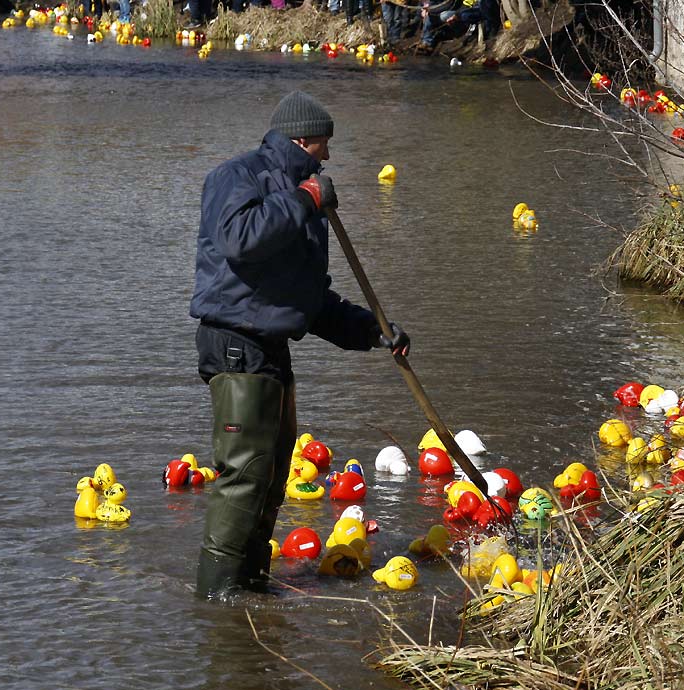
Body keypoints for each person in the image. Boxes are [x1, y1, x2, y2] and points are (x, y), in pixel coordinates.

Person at [189, 90, 411, 599]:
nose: (329, 158)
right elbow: (239, 238)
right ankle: (217, 598)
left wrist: (374, 331)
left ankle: (250, 587)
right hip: (233, 343)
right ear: (301, 140)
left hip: (271, 350)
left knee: (271, 474)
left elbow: (310, 301)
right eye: (324, 146)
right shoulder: (237, 177)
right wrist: (307, 199)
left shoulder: (304, 205)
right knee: (244, 474)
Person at [419, 0, 499, 50]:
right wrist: (429, 9)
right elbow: (453, 5)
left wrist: (458, 15)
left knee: (446, 15)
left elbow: (450, 5)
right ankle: (426, 43)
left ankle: (457, 32)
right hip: (462, 11)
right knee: (430, 16)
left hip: (467, 13)